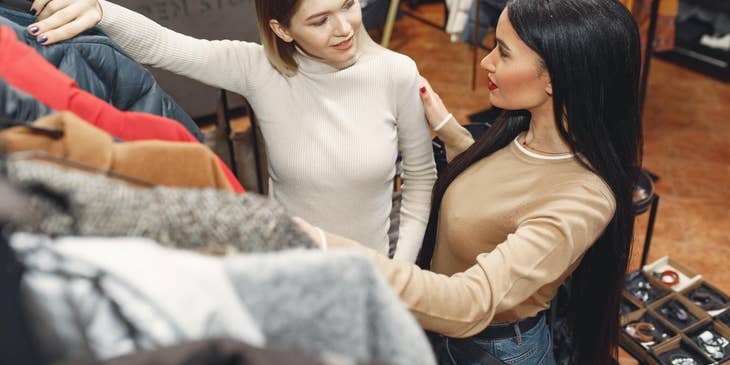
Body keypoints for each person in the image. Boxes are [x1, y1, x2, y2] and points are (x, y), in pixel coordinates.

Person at [296, 0, 643, 364]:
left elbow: (468, 302)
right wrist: (448, 129)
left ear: (556, 77)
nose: (486, 62)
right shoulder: (524, 133)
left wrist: (323, 244)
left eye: (503, 53)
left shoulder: (585, 199)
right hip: (445, 336)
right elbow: (506, 186)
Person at [25, 0, 437, 261]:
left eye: (348, 5)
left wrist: (398, 275)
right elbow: (166, 47)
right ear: (283, 30)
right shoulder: (259, 69)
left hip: (378, 268)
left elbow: (420, 179)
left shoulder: (396, 73)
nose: (345, 28)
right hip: (290, 267)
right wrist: (101, 11)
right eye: (320, 20)